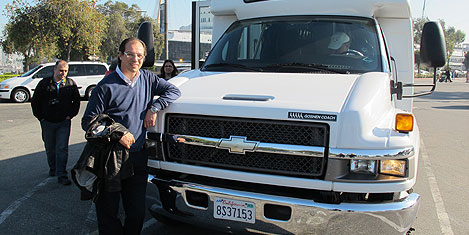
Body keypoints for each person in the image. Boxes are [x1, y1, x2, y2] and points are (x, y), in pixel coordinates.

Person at [81, 37, 181, 235]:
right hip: (111, 158)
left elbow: (173, 90)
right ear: (120, 56)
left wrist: (154, 107)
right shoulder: (105, 86)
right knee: (108, 212)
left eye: (139, 55)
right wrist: (118, 133)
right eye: (130, 54)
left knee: (136, 212)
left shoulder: (147, 78)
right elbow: (89, 123)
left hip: (137, 157)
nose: (135, 59)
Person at [31, 60, 81, 185]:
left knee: (62, 148)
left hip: (63, 122)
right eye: (60, 70)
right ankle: (53, 168)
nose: (63, 73)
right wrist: (41, 117)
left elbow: (76, 102)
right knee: (50, 147)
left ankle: (62, 174)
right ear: (54, 69)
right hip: (47, 122)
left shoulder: (70, 84)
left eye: (65, 71)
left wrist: (70, 115)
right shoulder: (44, 84)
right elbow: (35, 102)